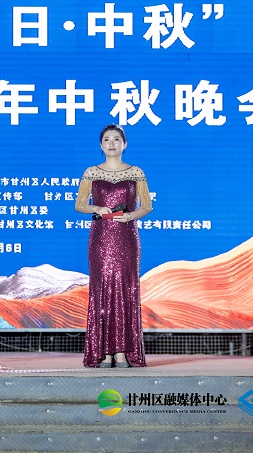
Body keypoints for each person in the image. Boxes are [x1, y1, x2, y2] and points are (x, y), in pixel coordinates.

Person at [75, 124, 152, 368]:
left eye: (116, 139)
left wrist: (130, 216)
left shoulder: (136, 172)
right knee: (102, 289)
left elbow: (147, 206)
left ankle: (122, 352)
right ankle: (104, 353)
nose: (111, 143)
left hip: (126, 238)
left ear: (124, 144)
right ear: (101, 145)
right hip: (100, 239)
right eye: (107, 139)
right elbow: (79, 204)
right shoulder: (91, 172)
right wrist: (97, 208)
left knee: (125, 289)